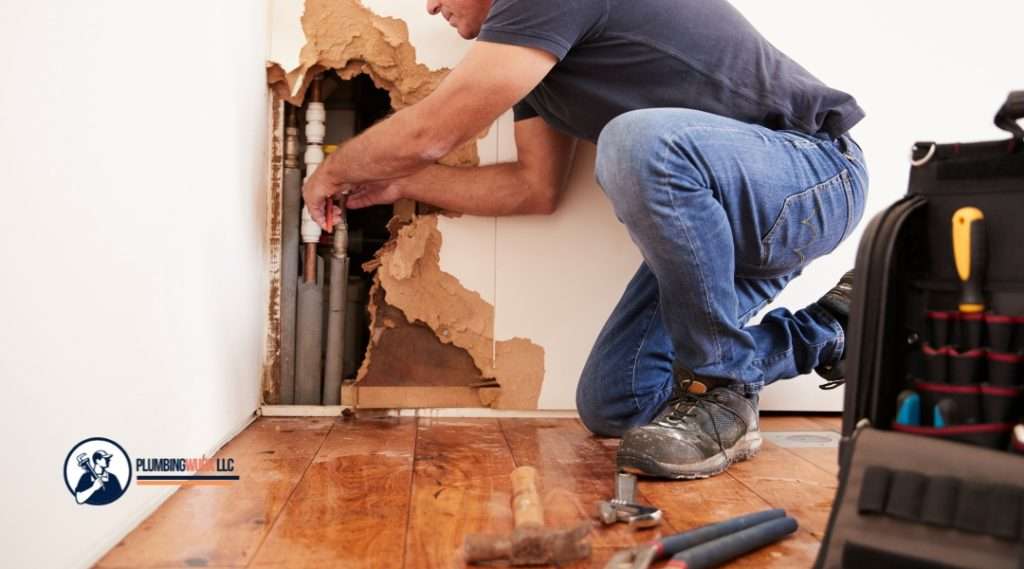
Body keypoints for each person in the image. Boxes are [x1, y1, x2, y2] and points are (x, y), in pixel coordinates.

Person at [303, 0, 867, 479]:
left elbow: (435, 130)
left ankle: (722, 390)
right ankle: (835, 329)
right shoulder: (536, 61)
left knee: (638, 140)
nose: (430, 6)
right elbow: (533, 187)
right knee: (619, 401)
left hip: (812, 177)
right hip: (719, 227)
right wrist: (397, 182)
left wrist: (335, 169)